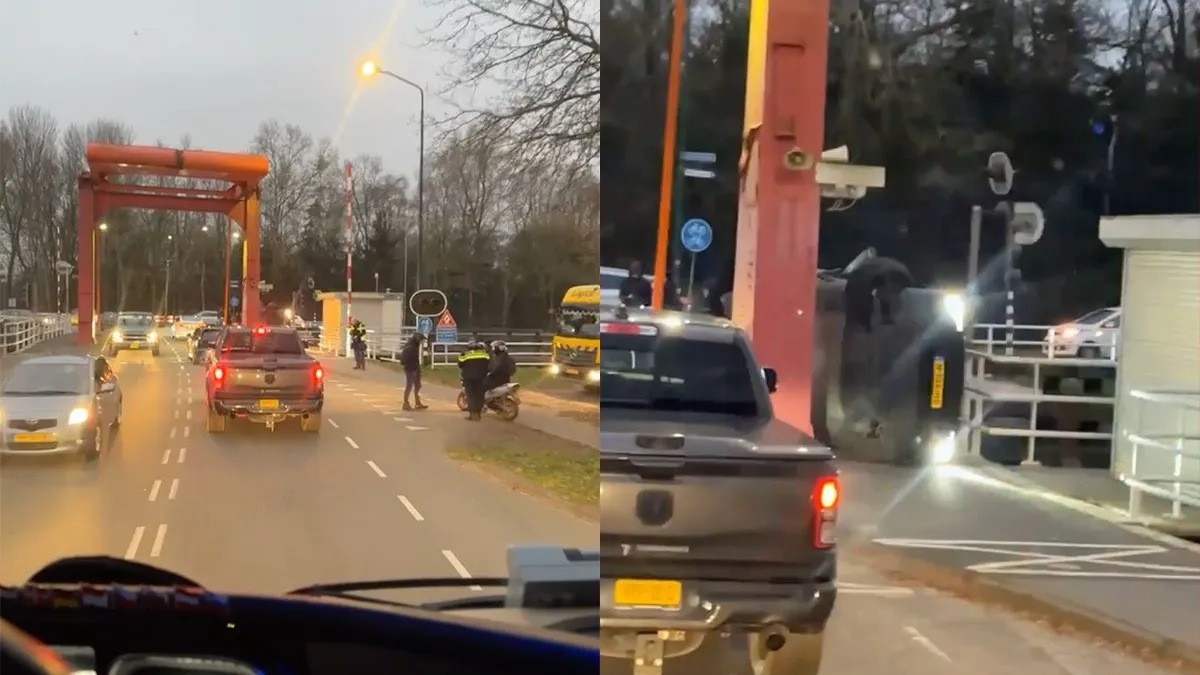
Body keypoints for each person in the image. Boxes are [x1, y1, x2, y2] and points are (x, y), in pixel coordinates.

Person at [457, 341, 491, 421]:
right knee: (479, 395)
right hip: (481, 378)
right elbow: (489, 364)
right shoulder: (485, 355)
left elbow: (460, 364)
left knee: (471, 395)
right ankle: (478, 414)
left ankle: (472, 414)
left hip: (469, 378)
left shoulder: (465, 355)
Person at [400, 333, 428, 411]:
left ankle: (417, 402)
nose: (422, 342)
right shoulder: (410, 347)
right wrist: (409, 366)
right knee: (409, 386)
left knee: (418, 385)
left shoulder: (415, 346)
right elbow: (404, 359)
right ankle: (405, 403)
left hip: (415, 366)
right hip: (410, 368)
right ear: (417, 339)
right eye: (421, 340)